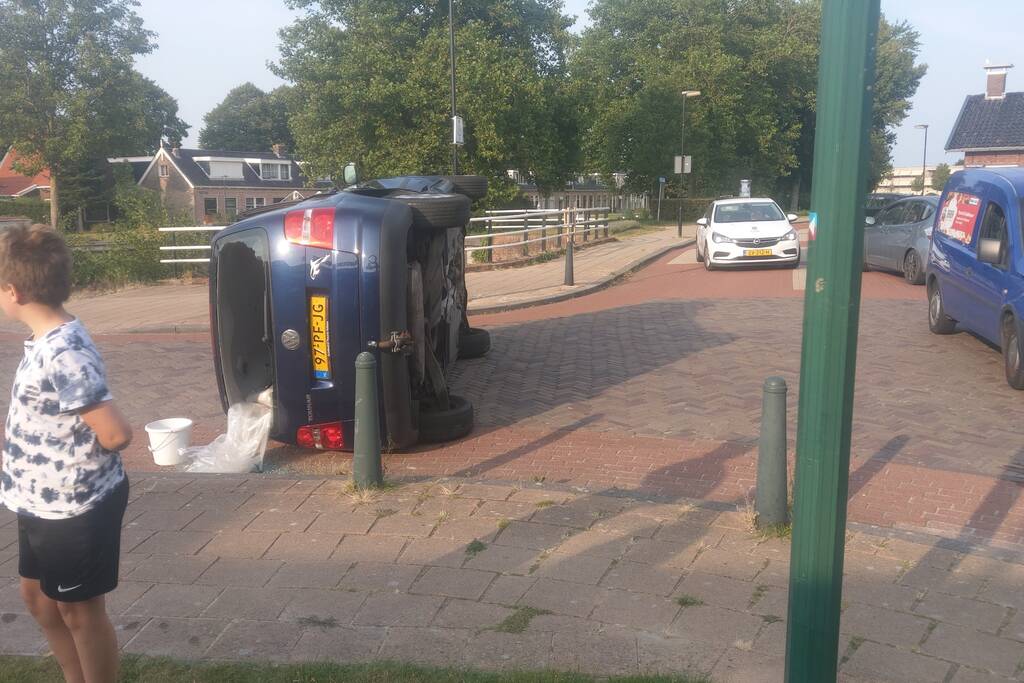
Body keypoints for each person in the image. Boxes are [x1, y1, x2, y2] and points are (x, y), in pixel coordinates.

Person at [0, 224, 132, 683]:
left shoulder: (64, 351)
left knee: (78, 610)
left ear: (13, 291)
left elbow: (115, 433)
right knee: (37, 599)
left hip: (74, 506)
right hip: (38, 501)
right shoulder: (45, 341)